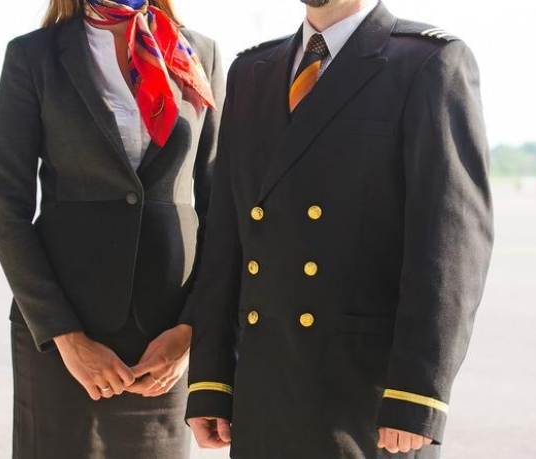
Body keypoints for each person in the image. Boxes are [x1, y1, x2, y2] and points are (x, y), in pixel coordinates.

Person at [184, 0, 493, 457]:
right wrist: (210, 381)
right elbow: (226, 239)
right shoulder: (252, 71)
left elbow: (450, 245)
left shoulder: (428, 63)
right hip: (263, 392)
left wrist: (418, 392)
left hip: (367, 399)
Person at [0, 0, 224, 457]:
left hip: (166, 341)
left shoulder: (199, 54)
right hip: (66, 341)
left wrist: (192, 329)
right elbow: (6, 211)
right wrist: (67, 338)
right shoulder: (34, 56)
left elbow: (222, 209)